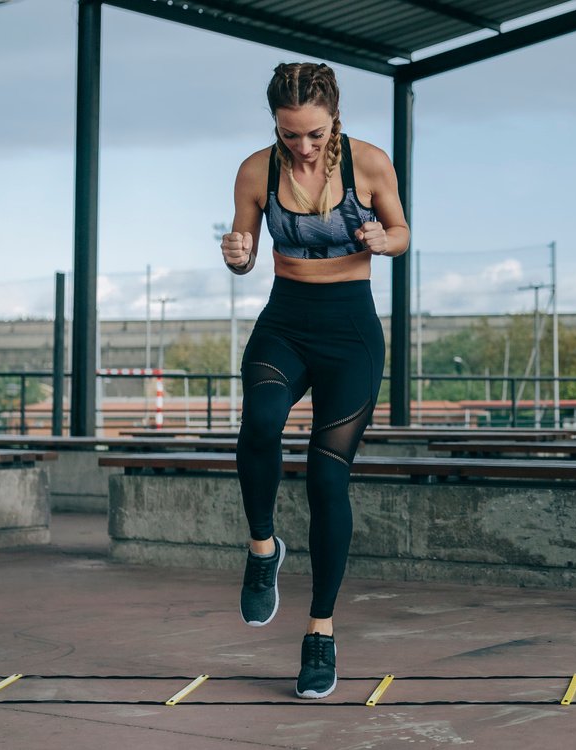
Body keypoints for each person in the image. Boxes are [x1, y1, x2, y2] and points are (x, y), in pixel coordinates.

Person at [219, 61, 408, 699]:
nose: (302, 146)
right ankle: (262, 548)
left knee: (328, 476)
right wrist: (239, 257)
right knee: (261, 423)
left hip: (351, 330)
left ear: (335, 119)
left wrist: (386, 240)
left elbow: (402, 232)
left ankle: (320, 632)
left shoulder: (370, 163)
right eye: (289, 134)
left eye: (314, 134)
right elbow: (244, 249)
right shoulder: (255, 170)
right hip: (286, 320)